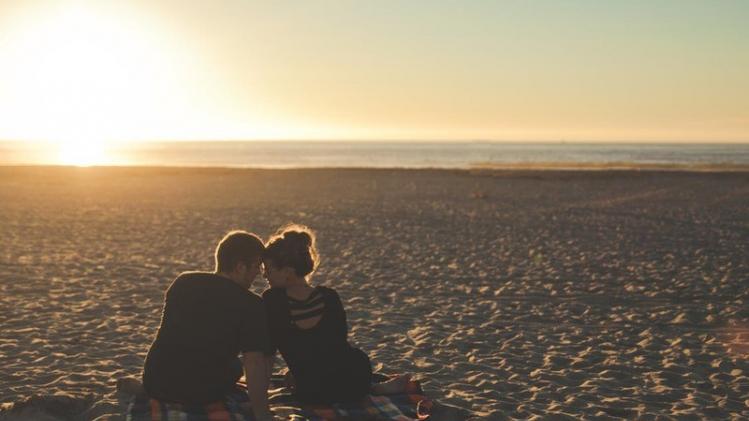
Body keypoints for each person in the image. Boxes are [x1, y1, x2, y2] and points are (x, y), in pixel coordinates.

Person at [262, 224, 410, 404]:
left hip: (311, 389)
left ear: (288, 272)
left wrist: (295, 371)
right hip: (353, 379)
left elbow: (270, 351)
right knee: (350, 362)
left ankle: (375, 388)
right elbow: (333, 347)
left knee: (328, 377)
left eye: (268, 270)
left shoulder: (272, 301)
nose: (264, 276)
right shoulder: (329, 296)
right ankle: (375, 389)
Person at [142, 230, 275, 421]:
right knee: (235, 368)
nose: (259, 273)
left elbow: (167, 336)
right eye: (255, 266)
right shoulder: (251, 304)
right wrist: (262, 413)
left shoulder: (183, 281)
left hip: (154, 382)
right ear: (239, 267)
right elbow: (253, 362)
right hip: (200, 393)